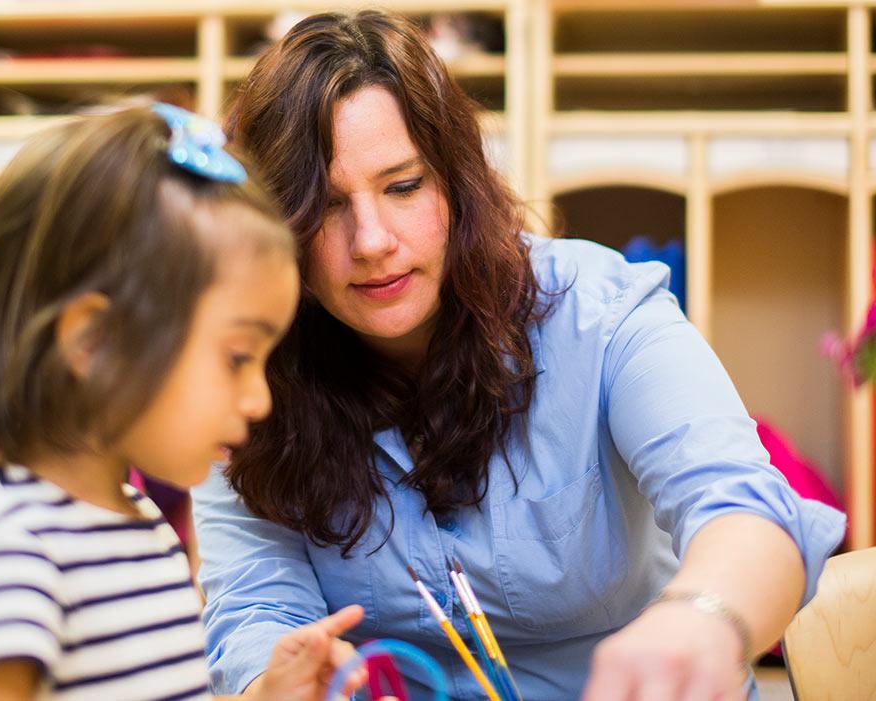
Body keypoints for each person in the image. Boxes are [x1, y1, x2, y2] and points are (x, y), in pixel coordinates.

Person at [191, 10, 847, 701]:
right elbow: (257, 613)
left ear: (457, 181)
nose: (372, 240)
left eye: (404, 186)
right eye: (326, 207)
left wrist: (702, 618)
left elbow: (746, 508)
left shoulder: (599, 312)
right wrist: (274, 683)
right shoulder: (250, 380)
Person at [0, 104, 372, 701]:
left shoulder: (144, 528)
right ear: (93, 342)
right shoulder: (9, 555)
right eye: (237, 358)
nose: (259, 399)